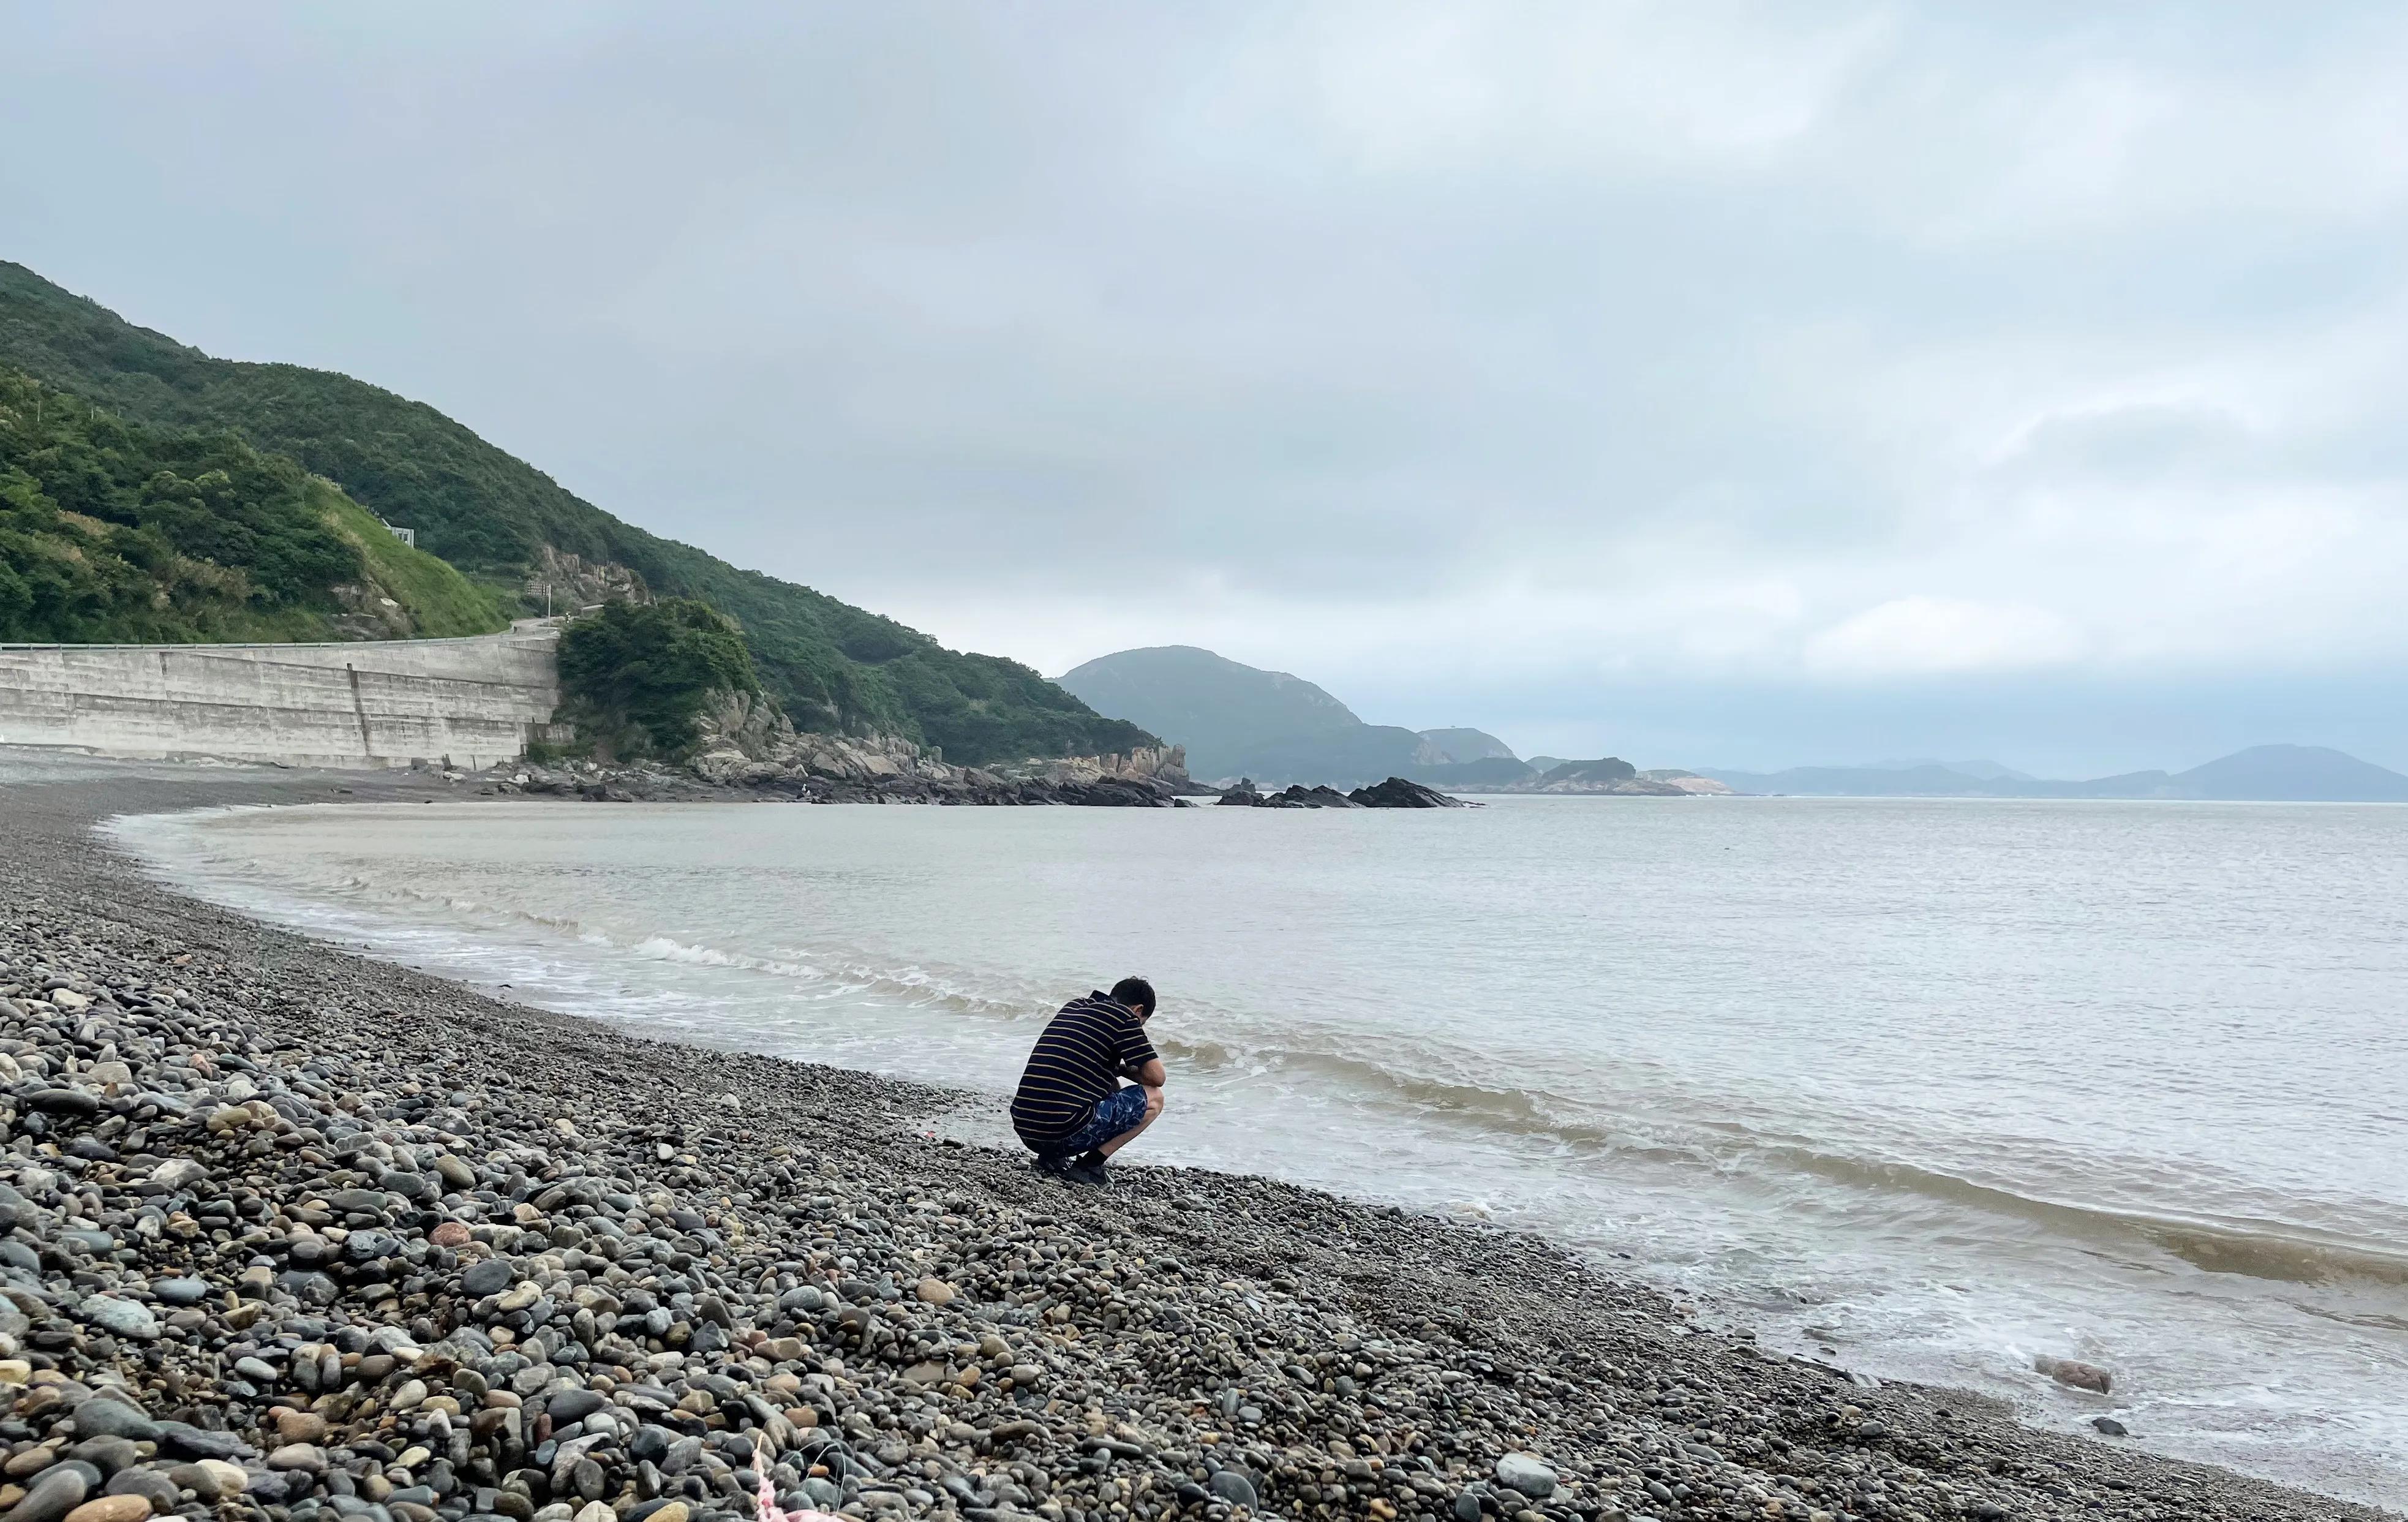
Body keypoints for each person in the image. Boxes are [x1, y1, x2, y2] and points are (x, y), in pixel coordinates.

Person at [1010, 976, 1166, 1185]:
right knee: (1155, 1099)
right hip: (1061, 1134)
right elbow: (1157, 1077)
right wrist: (1123, 1069)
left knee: (1096, 1081)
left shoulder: (1073, 1007)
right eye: (1142, 1023)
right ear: (1138, 1010)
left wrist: (1114, 1069)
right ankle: (1090, 1166)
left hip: (1027, 1130)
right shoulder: (1124, 1017)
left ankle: (1053, 1157)